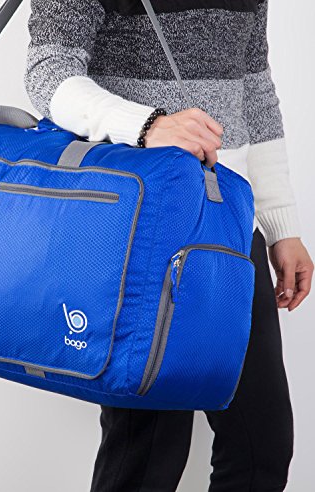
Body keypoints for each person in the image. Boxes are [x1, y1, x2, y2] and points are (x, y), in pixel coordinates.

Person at [24, 1, 314, 491]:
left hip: (229, 225)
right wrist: (147, 125)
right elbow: (47, 73)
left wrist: (280, 223)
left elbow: (255, 89)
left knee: (261, 448)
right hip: (141, 230)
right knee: (147, 455)